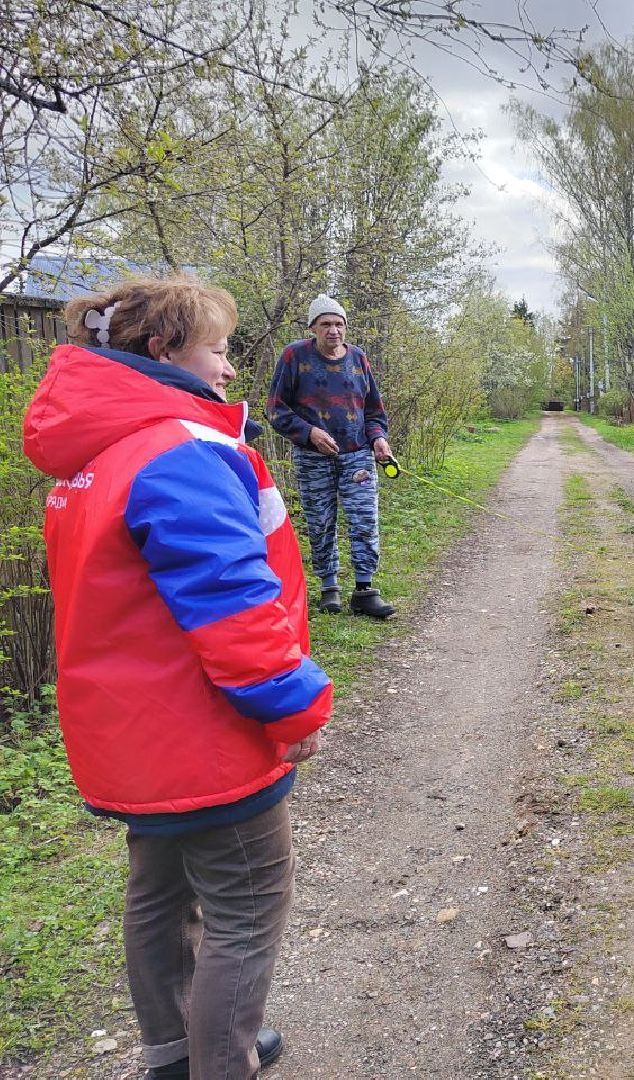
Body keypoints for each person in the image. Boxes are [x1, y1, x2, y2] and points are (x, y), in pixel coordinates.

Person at [22, 275, 333, 1077]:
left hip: (129, 737)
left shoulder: (93, 461)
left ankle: (175, 1052)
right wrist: (294, 708)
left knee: (158, 895)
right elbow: (234, 612)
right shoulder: (180, 453)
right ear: (163, 351)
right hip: (207, 737)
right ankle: (220, 1059)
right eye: (219, 350)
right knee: (247, 910)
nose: (229, 370)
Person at [266, 294, 395, 619]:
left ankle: (365, 590)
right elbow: (275, 408)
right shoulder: (294, 356)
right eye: (326, 324)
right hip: (313, 458)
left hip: (357, 458)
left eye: (339, 324)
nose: (333, 331)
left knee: (365, 521)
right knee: (320, 522)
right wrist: (309, 433)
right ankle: (329, 587)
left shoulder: (358, 358)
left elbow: (373, 410)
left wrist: (378, 439)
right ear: (313, 327)